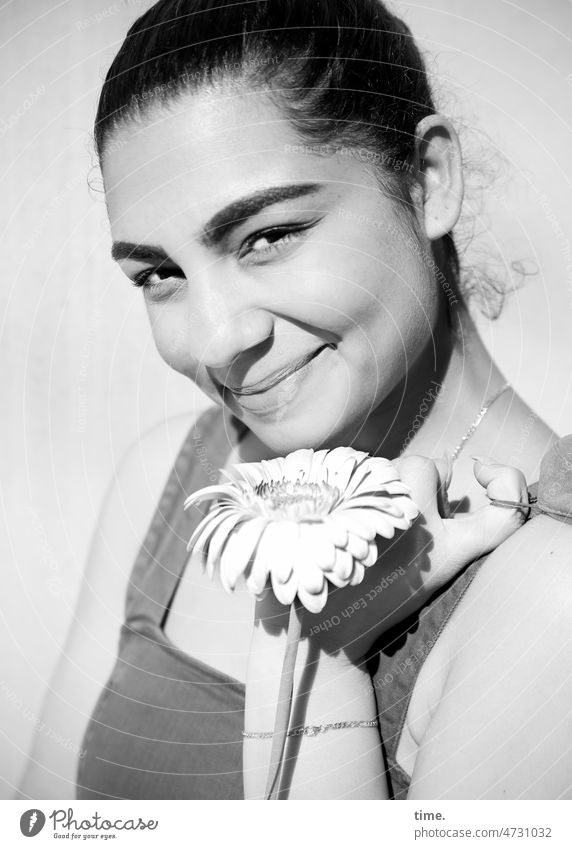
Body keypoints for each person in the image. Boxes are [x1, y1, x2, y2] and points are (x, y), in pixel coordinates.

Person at [18, 0, 572, 801]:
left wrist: (312, 654)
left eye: (268, 236)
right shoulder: (177, 483)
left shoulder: (547, 595)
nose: (214, 340)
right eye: (158, 276)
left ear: (428, 181)